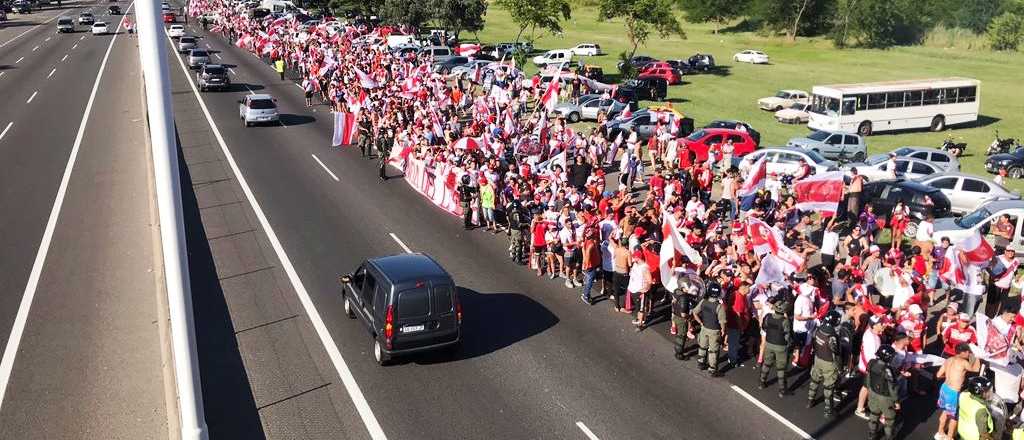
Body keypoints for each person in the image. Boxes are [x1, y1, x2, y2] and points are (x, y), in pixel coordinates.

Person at [935, 343, 982, 440]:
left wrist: (949, 377)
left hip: (944, 388)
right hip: (953, 392)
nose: (969, 354)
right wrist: (978, 357)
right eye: (968, 352)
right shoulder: (963, 362)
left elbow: (938, 375)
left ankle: (940, 432)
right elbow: (976, 369)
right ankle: (949, 437)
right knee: (954, 416)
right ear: (963, 352)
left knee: (945, 411)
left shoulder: (948, 360)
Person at [808, 311, 842, 418]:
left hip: (818, 359)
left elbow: (814, 342)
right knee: (828, 386)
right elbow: (836, 351)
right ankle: (828, 410)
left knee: (814, 381)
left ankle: (810, 400)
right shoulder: (832, 336)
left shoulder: (818, 329)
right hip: (828, 363)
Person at [865, 345, 900, 440]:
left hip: (872, 393)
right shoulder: (888, 370)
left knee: (874, 414)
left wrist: (870, 390)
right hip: (885, 398)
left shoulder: (871, 363)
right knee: (889, 419)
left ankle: (872, 434)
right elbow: (892, 387)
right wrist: (896, 401)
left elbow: (867, 379)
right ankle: (889, 437)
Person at [759, 296, 791, 396]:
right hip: (781, 347)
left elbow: (764, 328)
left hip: (769, 344)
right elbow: (787, 336)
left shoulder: (768, 317)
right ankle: (782, 390)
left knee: (766, 363)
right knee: (781, 368)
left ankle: (762, 382)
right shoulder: (785, 321)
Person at [694, 282, 726, 377]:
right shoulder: (719, 307)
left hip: (704, 328)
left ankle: (701, 362)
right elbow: (722, 322)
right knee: (713, 351)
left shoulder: (703, 302)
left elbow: (695, 312)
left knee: (702, 346)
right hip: (714, 331)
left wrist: (700, 322)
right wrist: (723, 331)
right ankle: (712, 369)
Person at [958, 376, 996, 440]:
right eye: (987, 391)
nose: (990, 393)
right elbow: (983, 433)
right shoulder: (981, 410)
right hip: (974, 437)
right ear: (978, 392)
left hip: (962, 430)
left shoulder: (963, 395)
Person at [671, 275, 696, 361]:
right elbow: (683, 314)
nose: (689, 287)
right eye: (688, 285)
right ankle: (679, 353)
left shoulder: (676, 291)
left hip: (675, 316)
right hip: (681, 319)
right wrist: (690, 317)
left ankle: (678, 348)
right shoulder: (683, 298)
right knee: (682, 336)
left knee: (679, 334)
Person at [506, 200, 528, 265]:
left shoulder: (510, 210)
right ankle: (518, 259)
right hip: (517, 230)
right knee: (519, 244)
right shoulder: (517, 213)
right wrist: (526, 224)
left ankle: (513, 255)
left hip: (512, 228)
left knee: (513, 242)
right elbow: (519, 224)